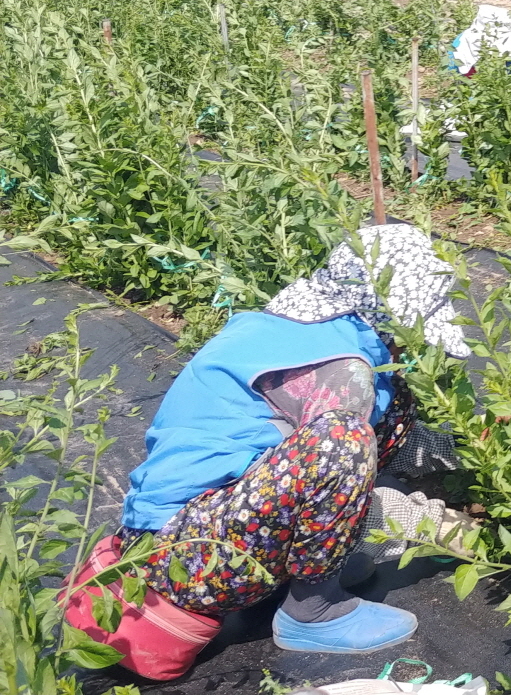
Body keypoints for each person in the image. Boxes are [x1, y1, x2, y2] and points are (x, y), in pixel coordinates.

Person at [90, 224, 471, 664]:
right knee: (341, 440)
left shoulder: (298, 330)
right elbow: (334, 469)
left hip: (196, 530)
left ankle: (304, 570)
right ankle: (314, 609)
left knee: (388, 404)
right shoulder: (341, 370)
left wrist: (472, 444)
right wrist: (424, 525)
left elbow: (383, 436)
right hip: (185, 563)